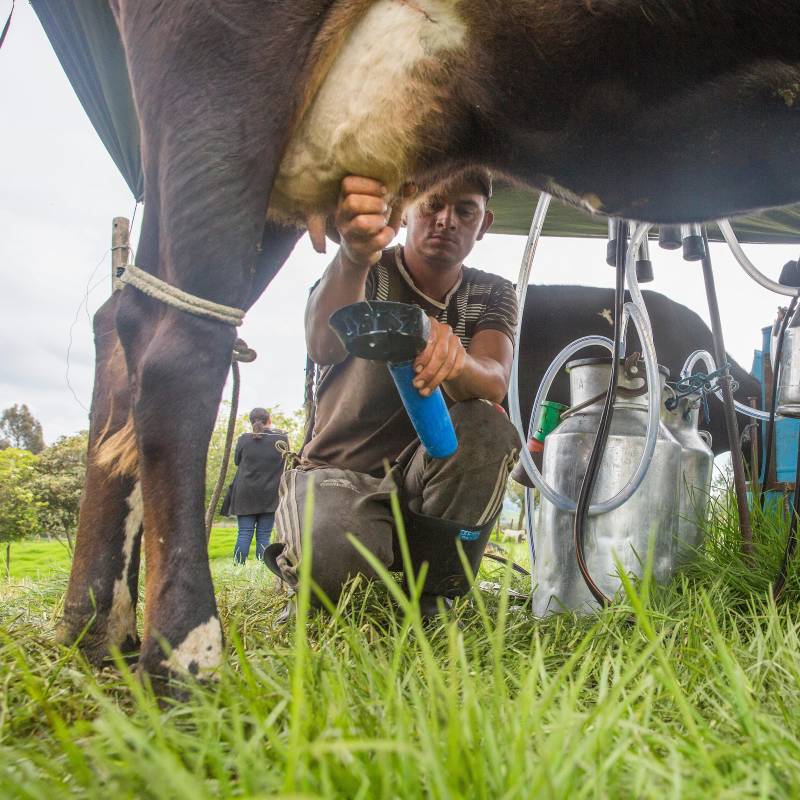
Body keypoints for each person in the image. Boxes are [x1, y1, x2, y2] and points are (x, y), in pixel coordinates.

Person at [266, 168, 520, 610]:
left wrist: (453, 356)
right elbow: (322, 345)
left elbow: (495, 381)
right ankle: (316, 561)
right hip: (338, 475)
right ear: (406, 209)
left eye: (465, 211)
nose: (446, 220)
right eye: (433, 205)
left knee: (487, 424)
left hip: (424, 482)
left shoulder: (493, 292)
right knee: (333, 567)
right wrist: (352, 254)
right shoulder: (368, 267)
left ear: (485, 224)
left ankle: (432, 593)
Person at [227, 408, 288, 563]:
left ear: (251, 421)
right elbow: (286, 463)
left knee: (244, 533)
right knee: (264, 535)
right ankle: (263, 566)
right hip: (270, 493)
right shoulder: (281, 439)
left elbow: (236, 461)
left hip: (245, 493)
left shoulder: (243, 439)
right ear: (269, 419)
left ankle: (238, 567)